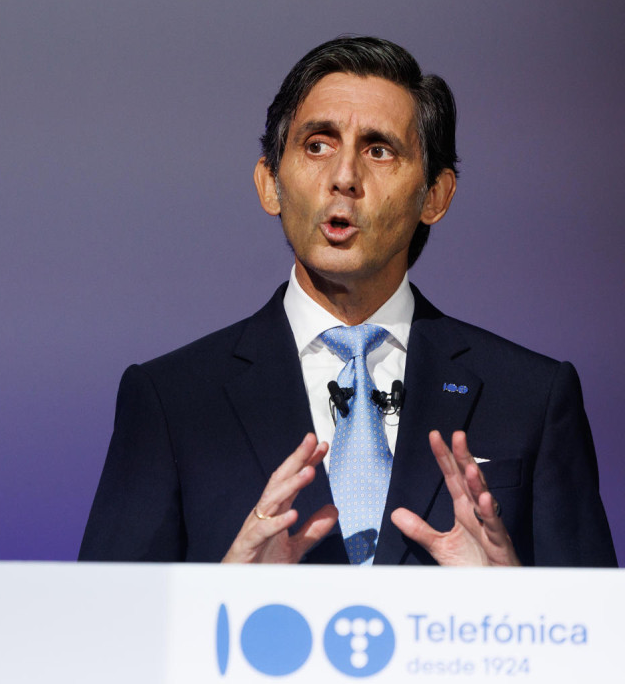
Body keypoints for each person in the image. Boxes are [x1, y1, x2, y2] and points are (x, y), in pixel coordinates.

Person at [79, 36, 616, 567]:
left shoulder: (531, 399)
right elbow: (99, 635)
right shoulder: (172, 402)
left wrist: (514, 605)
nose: (343, 177)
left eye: (379, 150)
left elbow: (600, 641)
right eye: (317, 144)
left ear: (435, 196)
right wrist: (222, 599)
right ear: (270, 183)